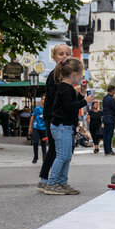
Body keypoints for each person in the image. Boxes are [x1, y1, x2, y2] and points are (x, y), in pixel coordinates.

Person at [42, 58, 94, 195]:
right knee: (62, 155)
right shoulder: (64, 88)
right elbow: (69, 106)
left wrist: (81, 93)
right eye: (81, 73)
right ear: (74, 74)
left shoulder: (67, 88)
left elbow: (70, 104)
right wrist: (85, 101)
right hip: (61, 126)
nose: (82, 76)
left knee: (67, 156)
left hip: (65, 126)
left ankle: (62, 181)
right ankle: (52, 183)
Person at [38, 44, 73, 189]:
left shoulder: (67, 75)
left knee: (64, 149)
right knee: (54, 149)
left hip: (63, 118)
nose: (64, 56)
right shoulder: (54, 75)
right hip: (53, 117)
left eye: (67, 53)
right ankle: (45, 179)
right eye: (61, 54)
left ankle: (58, 179)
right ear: (53, 58)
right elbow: (56, 97)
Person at [102, 85, 115, 155]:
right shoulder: (111, 99)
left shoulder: (104, 98)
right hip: (110, 117)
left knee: (105, 134)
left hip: (105, 117)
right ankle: (109, 150)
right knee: (109, 134)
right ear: (112, 90)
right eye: (114, 90)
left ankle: (106, 150)